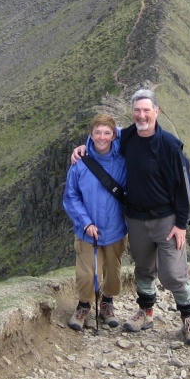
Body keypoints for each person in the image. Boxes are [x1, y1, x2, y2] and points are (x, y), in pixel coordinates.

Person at [73, 88, 190, 345]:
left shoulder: (169, 145)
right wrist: (82, 148)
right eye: (137, 110)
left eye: (146, 110)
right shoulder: (128, 137)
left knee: (173, 274)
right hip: (136, 218)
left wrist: (181, 224)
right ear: (132, 113)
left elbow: (182, 187)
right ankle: (146, 312)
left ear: (156, 111)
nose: (142, 115)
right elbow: (103, 137)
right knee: (143, 270)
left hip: (167, 219)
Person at [62, 114, 128, 331]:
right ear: (91, 134)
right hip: (86, 231)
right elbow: (71, 196)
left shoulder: (122, 161)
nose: (102, 137)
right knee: (87, 273)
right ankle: (83, 306)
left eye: (107, 133)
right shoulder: (80, 163)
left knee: (113, 273)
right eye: (97, 132)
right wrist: (86, 223)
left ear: (113, 135)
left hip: (116, 229)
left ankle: (107, 303)